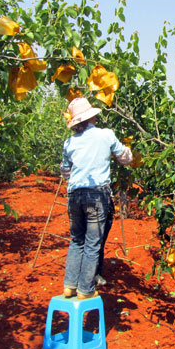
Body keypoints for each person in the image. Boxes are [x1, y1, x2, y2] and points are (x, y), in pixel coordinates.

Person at [60, 97, 132, 299]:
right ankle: (85, 290)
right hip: (96, 194)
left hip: (74, 194)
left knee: (77, 240)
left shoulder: (69, 142)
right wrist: (129, 152)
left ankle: (69, 285)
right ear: (92, 116)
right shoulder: (106, 135)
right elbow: (124, 157)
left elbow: (65, 171)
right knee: (93, 243)